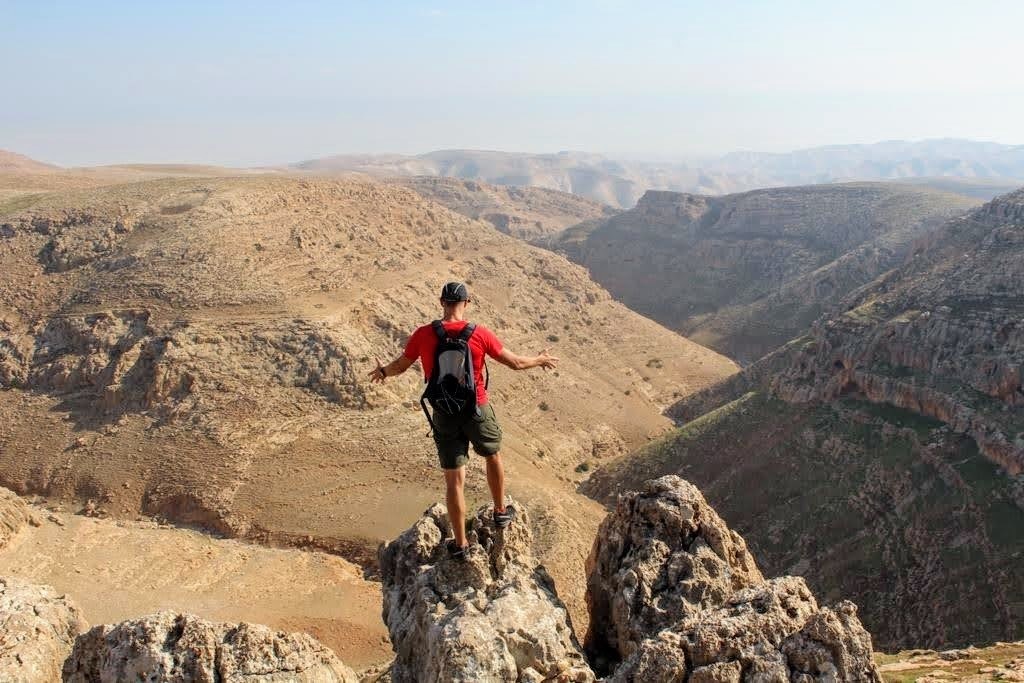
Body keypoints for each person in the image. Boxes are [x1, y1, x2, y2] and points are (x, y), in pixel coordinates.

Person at [368, 281, 558, 558]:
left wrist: (383, 372)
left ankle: (460, 545)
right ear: (466, 303)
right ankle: (500, 511)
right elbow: (515, 363)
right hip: (476, 408)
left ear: (441, 302)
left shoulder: (423, 334)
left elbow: (401, 365)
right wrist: (539, 360)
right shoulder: (479, 333)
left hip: (443, 413)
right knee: (492, 455)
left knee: (454, 480)